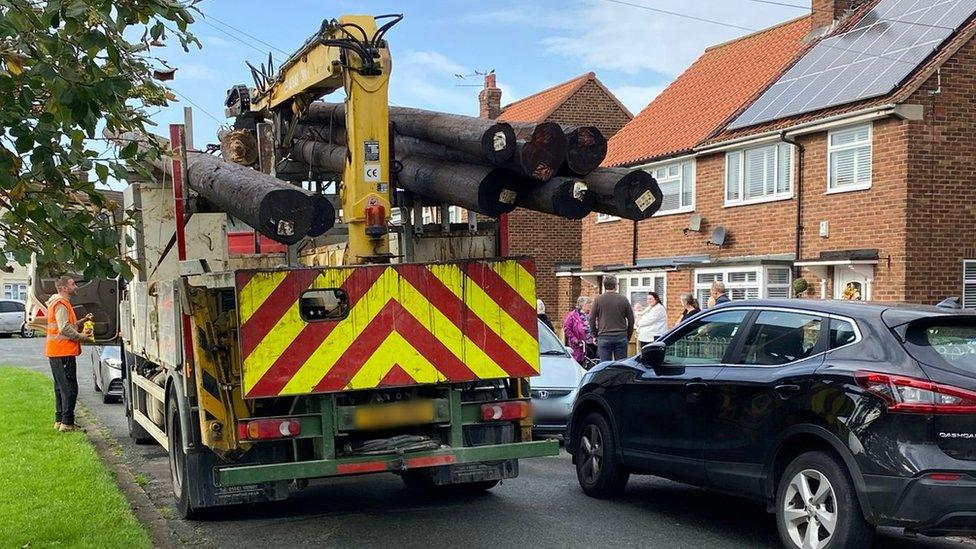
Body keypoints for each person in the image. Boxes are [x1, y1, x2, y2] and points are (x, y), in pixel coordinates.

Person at [46, 276, 93, 432]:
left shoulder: (60, 303)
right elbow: (64, 328)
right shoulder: (61, 304)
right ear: (64, 288)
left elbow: (69, 325)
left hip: (57, 351)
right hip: (63, 351)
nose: (75, 286)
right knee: (69, 388)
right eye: (72, 284)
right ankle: (67, 423)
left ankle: (60, 420)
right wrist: (82, 337)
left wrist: (82, 321)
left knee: (60, 387)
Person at [588, 275, 635, 361]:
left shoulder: (598, 299)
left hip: (604, 336)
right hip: (621, 336)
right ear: (615, 286)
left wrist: (594, 335)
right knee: (620, 366)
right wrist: (628, 336)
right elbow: (631, 320)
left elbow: (591, 319)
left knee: (605, 366)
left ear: (604, 285)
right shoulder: (623, 299)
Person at [563, 296, 592, 365]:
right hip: (579, 344)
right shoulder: (572, 315)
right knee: (579, 362)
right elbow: (567, 328)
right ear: (583, 305)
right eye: (589, 304)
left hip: (591, 344)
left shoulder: (590, 315)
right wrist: (574, 339)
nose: (590, 306)